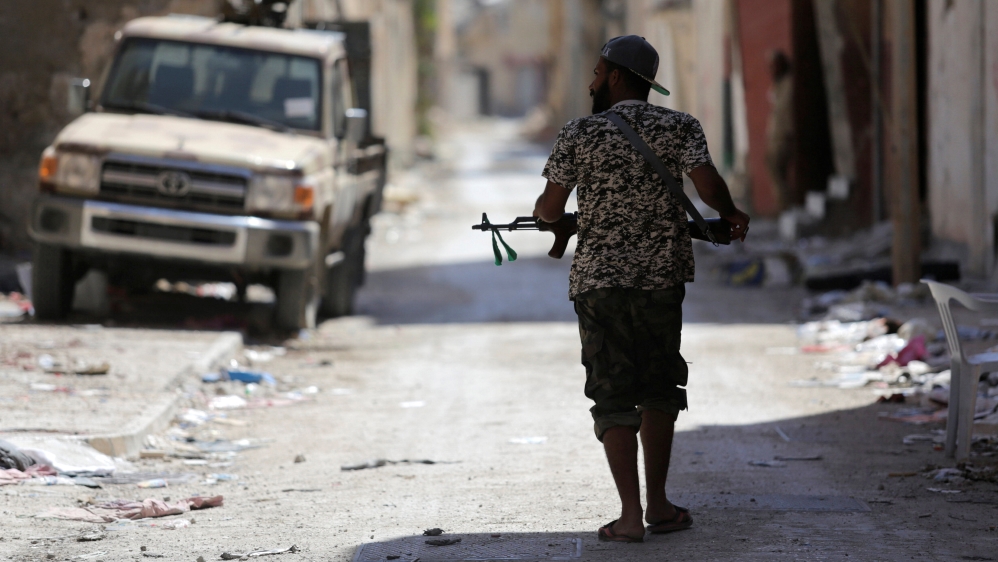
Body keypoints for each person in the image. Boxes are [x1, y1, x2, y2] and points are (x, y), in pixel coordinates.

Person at [533, 35, 750, 543]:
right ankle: (659, 505)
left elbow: (546, 208)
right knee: (658, 387)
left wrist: (562, 221)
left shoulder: (579, 132)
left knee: (611, 392)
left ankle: (629, 516)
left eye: (595, 71)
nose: (591, 80)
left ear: (612, 74)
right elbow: (708, 185)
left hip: (599, 282)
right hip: (661, 278)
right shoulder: (680, 125)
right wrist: (733, 215)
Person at [765, 50, 794, 212]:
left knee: (777, 168)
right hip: (775, 134)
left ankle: (785, 206)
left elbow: (786, 112)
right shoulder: (779, 84)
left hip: (784, 134)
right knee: (774, 168)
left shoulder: (789, 84)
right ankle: (783, 206)